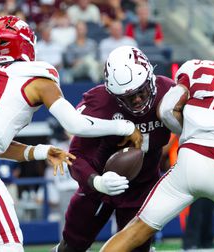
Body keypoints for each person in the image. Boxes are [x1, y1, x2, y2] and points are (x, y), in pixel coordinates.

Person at [0, 15, 142, 252]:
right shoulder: (38, 78)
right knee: (9, 242)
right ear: (23, 44)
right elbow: (76, 125)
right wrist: (125, 127)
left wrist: (41, 151)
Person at [100, 33, 214, 252]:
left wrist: (192, 133)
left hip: (187, 163)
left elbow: (166, 110)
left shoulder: (195, 67)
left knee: (136, 227)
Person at [52, 45, 174, 252]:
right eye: (128, 97)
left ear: (150, 79)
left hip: (142, 187)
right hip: (97, 188)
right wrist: (96, 181)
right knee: (71, 248)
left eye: (140, 91)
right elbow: (76, 157)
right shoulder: (99, 103)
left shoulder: (169, 92)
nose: (136, 100)